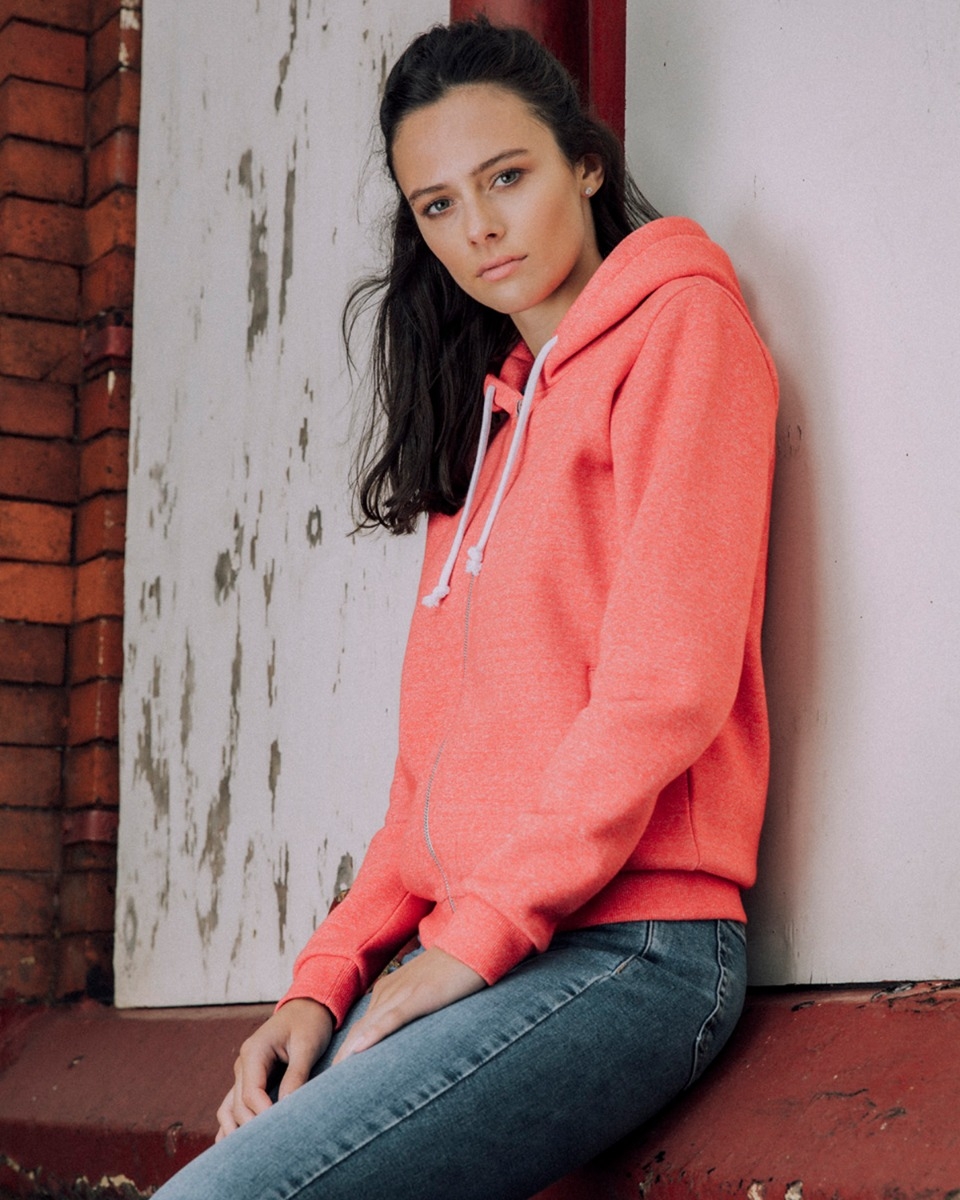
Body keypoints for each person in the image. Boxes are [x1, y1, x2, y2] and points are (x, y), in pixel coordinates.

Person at [154, 16, 777, 1200]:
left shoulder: (682, 331)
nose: (479, 227)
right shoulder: (489, 426)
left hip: (637, 949)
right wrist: (325, 977)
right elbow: (428, 783)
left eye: (507, 177)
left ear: (585, 163)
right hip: (484, 946)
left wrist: (473, 936)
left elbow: (667, 690)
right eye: (438, 204)